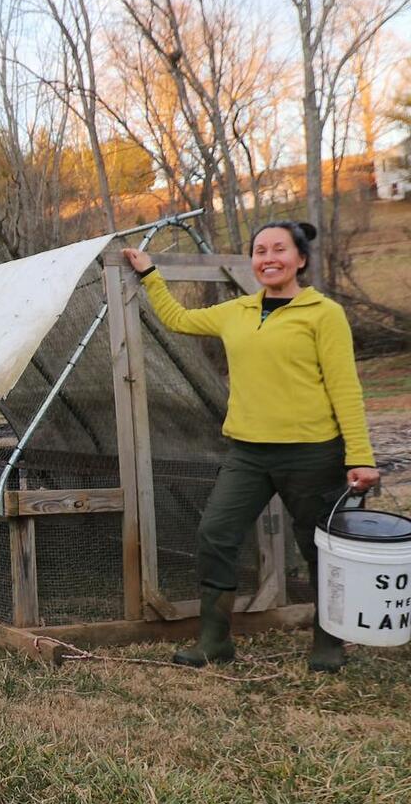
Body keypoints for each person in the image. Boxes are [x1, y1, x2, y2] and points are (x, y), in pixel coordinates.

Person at [122, 222, 380, 672]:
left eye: (279, 249)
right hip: (247, 453)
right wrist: (150, 274)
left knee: (318, 545)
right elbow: (179, 320)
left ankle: (329, 638)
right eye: (260, 250)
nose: (268, 258)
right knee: (215, 533)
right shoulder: (237, 310)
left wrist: (360, 456)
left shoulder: (324, 313)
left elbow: (345, 388)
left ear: (300, 259)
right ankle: (215, 639)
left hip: (312, 453)